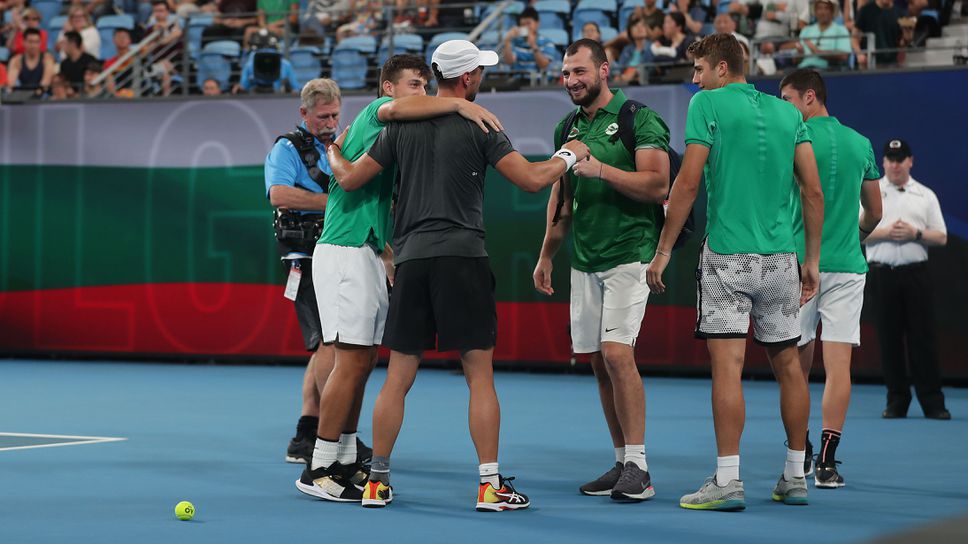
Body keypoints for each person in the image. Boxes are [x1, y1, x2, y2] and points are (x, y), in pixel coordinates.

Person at [325, 39, 590, 510]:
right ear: (467, 77)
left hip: (411, 262)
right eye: (480, 71)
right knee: (479, 377)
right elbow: (532, 180)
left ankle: (376, 482)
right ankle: (489, 486)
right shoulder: (480, 123)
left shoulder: (399, 126)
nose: (482, 77)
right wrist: (570, 154)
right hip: (463, 259)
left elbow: (350, 178)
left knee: (397, 378)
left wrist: (332, 151)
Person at [295, 53, 506, 503]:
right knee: (349, 360)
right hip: (343, 250)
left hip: (368, 249)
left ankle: (345, 457)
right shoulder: (380, 110)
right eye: (414, 85)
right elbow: (354, 176)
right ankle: (319, 467)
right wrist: (459, 104)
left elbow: (362, 185)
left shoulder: (397, 132)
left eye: (426, 86)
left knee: (363, 360)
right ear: (388, 89)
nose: (422, 94)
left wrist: (388, 254)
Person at [646, 33, 824, 511]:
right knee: (790, 367)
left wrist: (663, 250)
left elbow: (687, 183)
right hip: (782, 260)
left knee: (728, 368)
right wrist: (811, 260)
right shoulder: (789, 113)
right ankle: (795, 476)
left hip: (728, 258)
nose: (695, 79)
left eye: (699, 69)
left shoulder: (706, 104)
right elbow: (812, 192)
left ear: (721, 68)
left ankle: (727, 480)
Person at [535, 38, 670, 502]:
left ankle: (640, 468)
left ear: (604, 70)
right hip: (585, 259)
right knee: (597, 361)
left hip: (631, 253)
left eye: (579, 71)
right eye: (566, 73)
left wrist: (601, 171)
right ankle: (621, 461)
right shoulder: (566, 127)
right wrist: (547, 254)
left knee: (616, 355)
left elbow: (658, 185)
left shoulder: (639, 118)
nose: (571, 80)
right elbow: (561, 199)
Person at [779, 68, 883, 488]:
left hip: (799, 265)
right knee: (839, 366)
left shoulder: (793, 139)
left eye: (787, 99)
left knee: (794, 366)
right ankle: (826, 462)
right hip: (847, 267)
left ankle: (800, 451)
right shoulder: (860, 142)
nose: (784, 108)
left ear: (809, 97)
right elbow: (875, 213)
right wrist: (854, 239)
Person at [263, 78, 345, 466]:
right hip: (303, 254)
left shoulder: (340, 146)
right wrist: (331, 201)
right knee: (329, 341)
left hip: (338, 249)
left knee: (326, 343)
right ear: (304, 113)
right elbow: (278, 194)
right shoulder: (286, 148)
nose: (330, 123)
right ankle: (332, 435)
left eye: (335, 115)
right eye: (323, 116)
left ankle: (306, 433)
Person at [863, 138, 950, 420]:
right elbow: (857, 232)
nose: (895, 165)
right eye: (890, 159)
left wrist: (916, 234)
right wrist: (886, 232)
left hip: (915, 274)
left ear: (910, 161)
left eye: (900, 159)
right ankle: (896, 401)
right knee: (888, 340)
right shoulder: (870, 192)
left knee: (923, 339)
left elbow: (941, 236)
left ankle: (933, 402)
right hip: (882, 274)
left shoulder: (925, 195)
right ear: (883, 162)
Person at [502, 7, 558, 76]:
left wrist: (533, 45)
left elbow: (543, 65)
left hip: (537, 80)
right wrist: (507, 41)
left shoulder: (547, 42)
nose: (526, 27)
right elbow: (509, 61)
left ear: (537, 24)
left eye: (528, 24)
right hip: (518, 79)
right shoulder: (515, 42)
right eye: (523, 25)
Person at [796, 0, 852, 69]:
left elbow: (844, 55)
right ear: (815, 12)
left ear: (832, 11)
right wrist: (800, 53)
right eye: (819, 8)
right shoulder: (806, 30)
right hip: (803, 69)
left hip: (827, 70)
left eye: (826, 8)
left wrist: (817, 51)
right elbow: (796, 60)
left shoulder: (841, 30)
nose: (823, 12)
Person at [5, 28, 55, 95]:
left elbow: (45, 83)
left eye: (36, 42)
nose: (33, 45)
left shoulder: (47, 59)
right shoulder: (16, 60)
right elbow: (11, 84)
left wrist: (33, 96)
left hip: (42, 96)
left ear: (40, 43)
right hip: (24, 96)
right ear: (24, 42)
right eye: (30, 42)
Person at [614, 13, 654, 84]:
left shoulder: (652, 47)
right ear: (630, 32)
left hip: (642, 82)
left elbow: (649, 69)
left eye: (642, 25)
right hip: (624, 81)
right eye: (635, 25)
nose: (639, 28)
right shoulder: (627, 49)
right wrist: (617, 76)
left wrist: (632, 75)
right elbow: (619, 69)